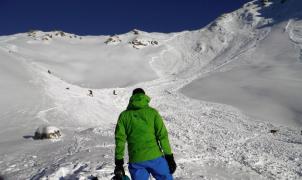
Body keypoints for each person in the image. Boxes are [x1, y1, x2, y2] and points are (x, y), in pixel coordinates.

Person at [114, 88, 176, 180]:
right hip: (155, 158)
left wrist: (119, 162)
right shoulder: (153, 113)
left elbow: (120, 140)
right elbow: (162, 135)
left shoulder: (124, 116)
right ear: (144, 96)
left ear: (132, 98)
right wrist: (169, 157)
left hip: (136, 160)